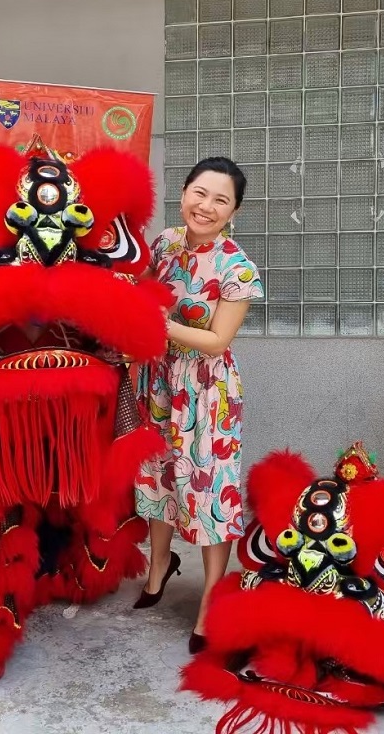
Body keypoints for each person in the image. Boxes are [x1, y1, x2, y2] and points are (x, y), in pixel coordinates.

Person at [133, 156, 264, 654]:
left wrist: (155, 324)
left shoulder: (237, 266)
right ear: (183, 192)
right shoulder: (163, 243)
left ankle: (211, 598)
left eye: (220, 200)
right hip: (158, 383)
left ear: (234, 212)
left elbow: (215, 340)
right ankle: (159, 566)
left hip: (206, 391)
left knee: (211, 491)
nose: (206, 206)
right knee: (158, 475)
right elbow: (133, 287)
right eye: (199, 193)